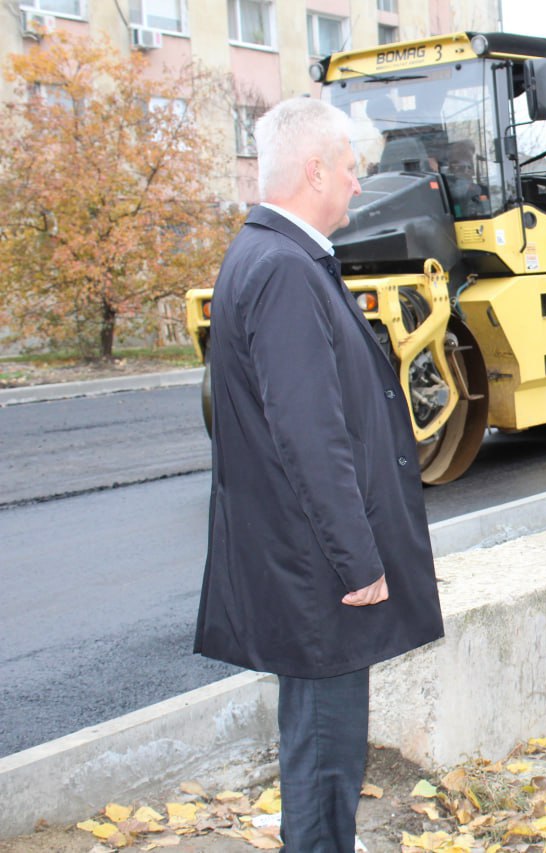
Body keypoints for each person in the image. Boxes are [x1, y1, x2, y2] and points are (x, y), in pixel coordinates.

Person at [194, 97, 444, 851]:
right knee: (325, 760)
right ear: (313, 172)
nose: (357, 184)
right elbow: (310, 434)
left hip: (304, 564)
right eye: (349, 168)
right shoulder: (283, 270)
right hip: (320, 572)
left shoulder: (273, 258)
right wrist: (358, 557)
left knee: (321, 750)